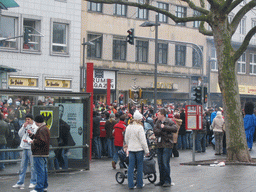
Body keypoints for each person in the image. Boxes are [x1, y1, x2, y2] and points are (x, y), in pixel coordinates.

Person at [125, 110, 149, 189]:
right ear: (139, 119)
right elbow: (143, 141)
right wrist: (147, 151)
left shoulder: (128, 127)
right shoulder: (140, 128)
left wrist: (129, 145)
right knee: (139, 167)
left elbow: (126, 138)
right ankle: (139, 184)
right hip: (139, 150)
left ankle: (130, 184)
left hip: (131, 149)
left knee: (130, 167)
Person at [12, 114, 38, 189]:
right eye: (26, 119)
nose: (27, 121)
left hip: (31, 148)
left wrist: (29, 141)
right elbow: (20, 134)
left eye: (28, 119)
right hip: (24, 147)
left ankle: (33, 181)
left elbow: (36, 137)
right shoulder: (25, 126)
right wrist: (23, 127)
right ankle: (20, 182)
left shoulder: (35, 127)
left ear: (32, 119)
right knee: (23, 166)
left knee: (33, 166)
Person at [153, 108, 177, 187]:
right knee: (160, 163)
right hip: (159, 144)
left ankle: (167, 181)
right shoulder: (157, 122)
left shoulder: (169, 121)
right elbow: (155, 130)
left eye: (159, 114)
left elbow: (175, 129)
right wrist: (161, 130)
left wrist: (165, 127)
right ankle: (161, 180)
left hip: (167, 144)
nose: (157, 115)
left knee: (165, 163)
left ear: (163, 115)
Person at [28, 115, 50, 192]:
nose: (35, 123)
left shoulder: (41, 129)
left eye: (36, 122)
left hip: (39, 153)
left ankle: (39, 188)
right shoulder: (45, 128)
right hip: (43, 153)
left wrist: (33, 141)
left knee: (40, 171)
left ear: (38, 122)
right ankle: (44, 186)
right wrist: (31, 135)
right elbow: (41, 139)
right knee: (44, 170)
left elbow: (41, 141)